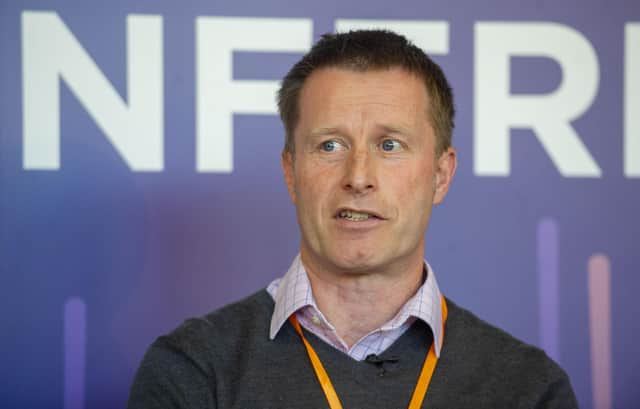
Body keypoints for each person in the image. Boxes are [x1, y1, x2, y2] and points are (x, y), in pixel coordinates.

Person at [128, 30, 578, 408]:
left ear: (440, 176)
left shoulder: (529, 389)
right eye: (329, 146)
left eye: (390, 145)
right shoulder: (192, 370)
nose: (359, 177)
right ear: (291, 173)